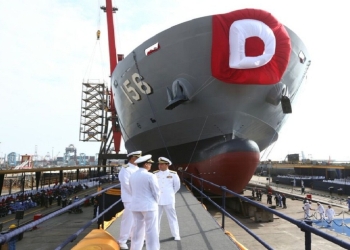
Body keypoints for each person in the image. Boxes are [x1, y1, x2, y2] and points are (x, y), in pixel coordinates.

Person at [129, 154, 160, 250]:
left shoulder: (132, 176)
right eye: (149, 163)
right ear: (146, 164)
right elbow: (156, 192)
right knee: (151, 230)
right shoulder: (150, 176)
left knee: (137, 230)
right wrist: (156, 203)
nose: (150, 165)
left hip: (135, 206)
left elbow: (131, 190)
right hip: (149, 206)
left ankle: (135, 248)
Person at [118, 150, 142, 250]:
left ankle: (132, 237)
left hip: (138, 197)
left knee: (136, 219)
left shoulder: (138, 168)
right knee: (128, 219)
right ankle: (122, 240)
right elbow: (126, 183)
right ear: (133, 158)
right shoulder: (126, 169)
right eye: (138, 158)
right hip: (130, 198)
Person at [154, 157, 181, 240]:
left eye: (162, 164)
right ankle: (156, 235)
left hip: (169, 199)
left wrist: (171, 193)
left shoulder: (173, 174)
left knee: (172, 217)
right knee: (156, 218)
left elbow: (177, 186)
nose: (160, 166)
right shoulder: (155, 174)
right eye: (159, 164)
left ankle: (176, 234)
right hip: (157, 199)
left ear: (167, 165)